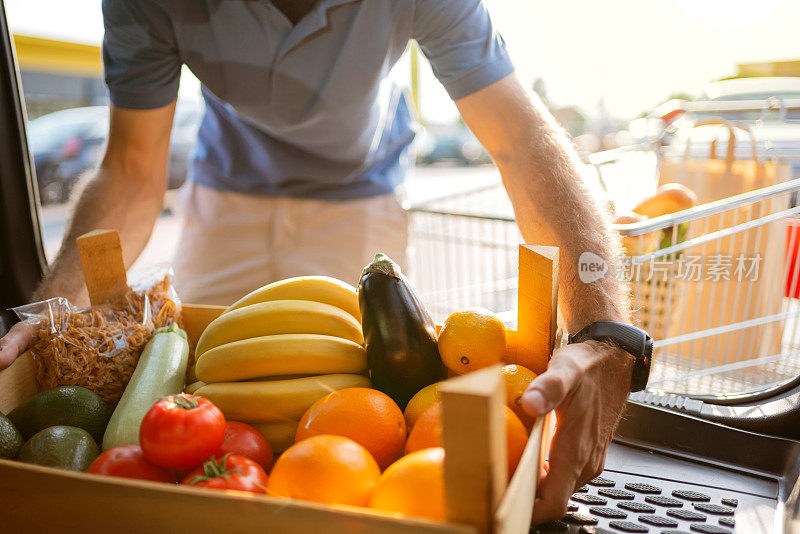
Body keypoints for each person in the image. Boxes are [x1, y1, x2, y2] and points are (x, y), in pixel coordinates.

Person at [0, 0, 635, 523]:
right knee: (198, 365)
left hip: (359, 198)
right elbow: (133, 169)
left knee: (371, 394)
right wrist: (58, 303)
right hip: (228, 193)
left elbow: (522, 140)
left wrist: (603, 326)